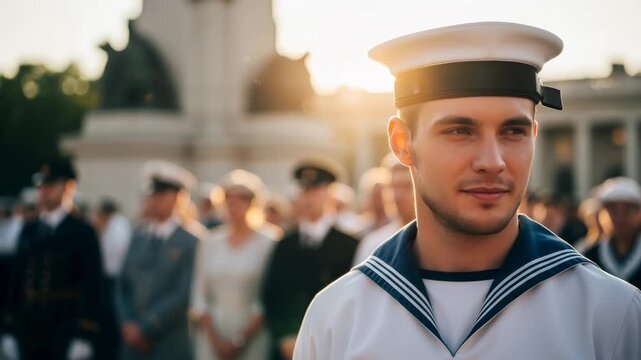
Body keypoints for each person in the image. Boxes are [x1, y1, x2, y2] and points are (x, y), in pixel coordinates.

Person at [293, 22, 641, 359]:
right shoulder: (335, 319)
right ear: (402, 142)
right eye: (460, 131)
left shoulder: (611, 313)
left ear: (533, 136)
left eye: (512, 131)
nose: (493, 161)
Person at [2, 159, 103, 360]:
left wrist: (85, 333)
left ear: (69, 188)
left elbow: (93, 285)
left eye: (51, 186)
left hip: (64, 327)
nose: (44, 191)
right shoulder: (29, 229)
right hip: (28, 327)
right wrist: (9, 328)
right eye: (41, 186)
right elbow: (16, 280)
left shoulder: (82, 232)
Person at [261, 159, 358, 360]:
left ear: (329, 194)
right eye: (305, 191)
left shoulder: (350, 244)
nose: (309, 198)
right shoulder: (285, 243)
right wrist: (285, 336)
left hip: (331, 345)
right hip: (287, 349)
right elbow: (272, 294)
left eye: (316, 191)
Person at [116, 160, 200, 360]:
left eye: (161, 195)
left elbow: (183, 293)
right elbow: (123, 286)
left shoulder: (192, 240)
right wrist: (127, 323)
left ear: (178, 198)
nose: (153, 200)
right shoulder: (139, 237)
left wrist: (147, 327)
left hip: (168, 342)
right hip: (132, 344)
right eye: (152, 194)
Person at [190, 169, 275, 360]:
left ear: (254, 203)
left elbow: (268, 295)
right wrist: (215, 340)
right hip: (212, 334)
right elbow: (200, 295)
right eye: (228, 197)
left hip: (252, 334)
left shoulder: (269, 241)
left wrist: (240, 340)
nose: (234, 204)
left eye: (242, 198)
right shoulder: (209, 241)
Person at [353, 153, 415, 265]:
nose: (398, 195)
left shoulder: (444, 243)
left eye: (407, 186)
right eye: (393, 186)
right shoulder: (373, 244)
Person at [92, 198, 132, 360]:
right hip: (111, 279)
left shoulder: (116, 226)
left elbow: (109, 256)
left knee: (112, 322)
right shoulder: (119, 224)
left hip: (114, 280)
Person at [585, 177, 641, 288]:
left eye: (629, 210)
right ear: (599, 214)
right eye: (612, 210)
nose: (620, 218)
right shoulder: (587, 255)